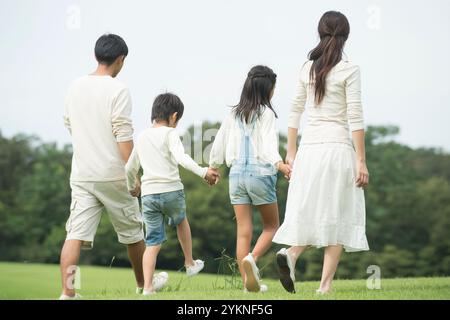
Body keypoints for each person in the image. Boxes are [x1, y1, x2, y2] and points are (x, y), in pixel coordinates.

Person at [273, 11, 370, 294]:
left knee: (312, 208)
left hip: (309, 150)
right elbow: (356, 117)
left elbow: (294, 111)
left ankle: (291, 254)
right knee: (338, 212)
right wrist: (361, 160)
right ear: (346, 36)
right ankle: (324, 286)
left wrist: (290, 152)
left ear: (320, 33)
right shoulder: (350, 69)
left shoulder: (307, 68)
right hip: (338, 148)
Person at [60, 34, 148, 300]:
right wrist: (134, 175)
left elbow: (68, 122)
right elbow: (123, 135)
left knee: (75, 234)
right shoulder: (118, 89)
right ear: (120, 59)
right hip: (113, 175)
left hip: (82, 174)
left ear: (96, 55)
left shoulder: (75, 85)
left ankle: (68, 294)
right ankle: (144, 286)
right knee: (133, 233)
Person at [126, 93, 219, 295]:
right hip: (171, 191)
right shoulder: (170, 134)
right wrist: (203, 172)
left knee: (152, 243)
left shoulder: (142, 137)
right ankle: (189, 262)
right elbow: (181, 158)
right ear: (174, 116)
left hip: (149, 195)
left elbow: (129, 169)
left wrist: (132, 185)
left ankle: (147, 288)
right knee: (181, 220)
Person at [209, 66, 291, 292]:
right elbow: (267, 146)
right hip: (260, 174)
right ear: (268, 89)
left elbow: (219, 142)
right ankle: (252, 259)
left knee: (243, 231)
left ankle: (248, 285)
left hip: (235, 175)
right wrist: (280, 165)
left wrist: (213, 167)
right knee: (272, 226)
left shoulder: (233, 113)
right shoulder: (266, 114)